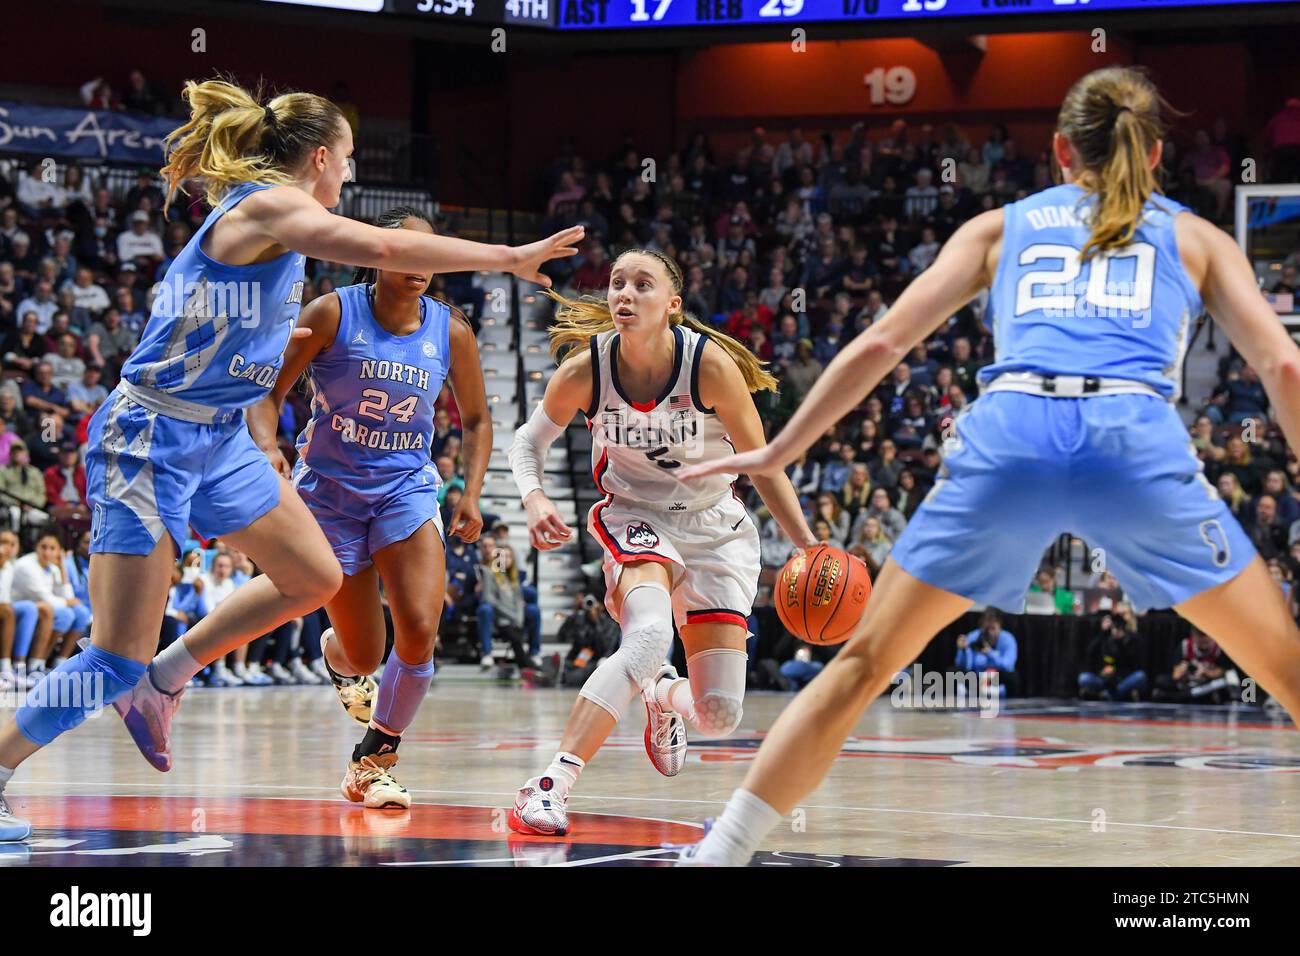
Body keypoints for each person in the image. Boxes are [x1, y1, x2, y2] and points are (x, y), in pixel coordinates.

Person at [675, 67, 1300, 865]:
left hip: (1012, 436)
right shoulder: (1196, 237)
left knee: (864, 664)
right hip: (1130, 437)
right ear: (1154, 155)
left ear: (1060, 151)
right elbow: (1283, 370)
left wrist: (782, 448)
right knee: (1284, 667)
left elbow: (880, 344)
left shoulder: (999, 228)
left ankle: (722, 851)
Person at [0, 77, 581, 841]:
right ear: (317, 158)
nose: (349, 175)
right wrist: (507, 255)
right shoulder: (269, 206)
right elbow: (380, 245)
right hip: (153, 436)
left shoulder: (287, 225)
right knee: (112, 653)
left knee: (315, 577)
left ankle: (165, 679)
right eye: (345, 160)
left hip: (220, 436)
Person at [505, 247, 815, 836]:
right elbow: (527, 442)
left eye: (642, 284)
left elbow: (765, 465)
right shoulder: (586, 370)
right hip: (634, 515)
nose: (624, 293)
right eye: (617, 283)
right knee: (648, 633)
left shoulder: (710, 366)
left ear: (672, 304)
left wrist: (806, 545)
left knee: (718, 716)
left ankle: (662, 692)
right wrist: (534, 497)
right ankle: (548, 786)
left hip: (715, 526)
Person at [249, 205, 490, 809]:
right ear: (375, 254)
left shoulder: (451, 329)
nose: (421, 266)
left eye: (430, 255)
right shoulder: (333, 312)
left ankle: (374, 760)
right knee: (365, 652)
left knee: (420, 628)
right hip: (328, 495)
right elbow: (268, 393)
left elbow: (479, 419)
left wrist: (470, 489)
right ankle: (339, 657)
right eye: (407, 251)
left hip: (405, 489)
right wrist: (268, 449)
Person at [1078, 608, 1147, 701]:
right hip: (1106, 679)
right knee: (1084, 678)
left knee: (1140, 676)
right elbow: (1090, 653)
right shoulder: (1106, 637)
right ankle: (1111, 694)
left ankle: (1111, 694)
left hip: (1124, 679)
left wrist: (1121, 641)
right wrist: (1102, 632)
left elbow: (1134, 663)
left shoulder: (1133, 638)